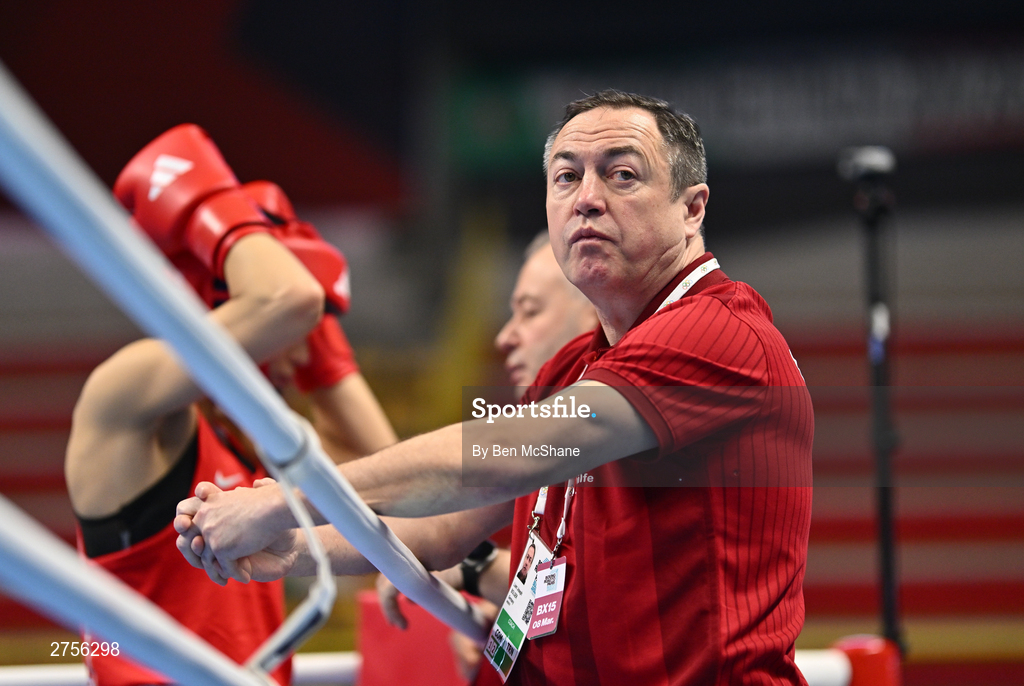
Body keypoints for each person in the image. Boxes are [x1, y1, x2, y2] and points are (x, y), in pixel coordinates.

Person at [175, 90, 814, 685]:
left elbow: (497, 458)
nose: (586, 198)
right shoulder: (573, 365)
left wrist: (282, 500)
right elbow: (446, 528)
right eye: (566, 176)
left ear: (692, 207)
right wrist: (294, 548)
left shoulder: (719, 333)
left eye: (622, 175)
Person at [66, 124, 395, 685]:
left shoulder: (255, 447)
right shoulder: (123, 397)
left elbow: (390, 488)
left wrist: (322, 355)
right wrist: (213, 209)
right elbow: (287, 300)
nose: (312, 336)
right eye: (311, 329)